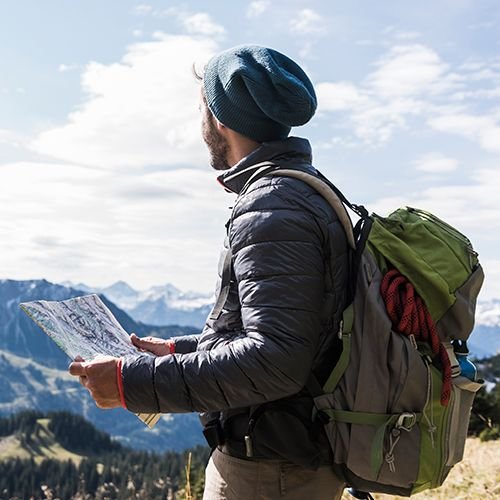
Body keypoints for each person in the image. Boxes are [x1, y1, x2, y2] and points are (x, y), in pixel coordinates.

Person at [69, 44, 349, 500]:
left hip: (269, 472)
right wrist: (179, 351)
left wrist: (128, 382)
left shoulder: (273, 206)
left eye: (203, 109)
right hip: (284, 459)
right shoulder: (300, 193)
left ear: (221, 119)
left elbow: (276, 360)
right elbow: (301, 334)